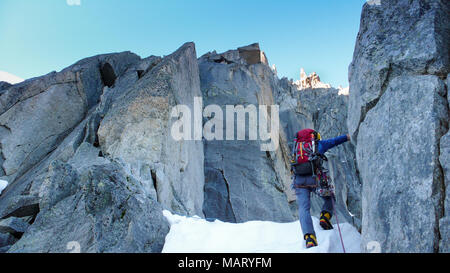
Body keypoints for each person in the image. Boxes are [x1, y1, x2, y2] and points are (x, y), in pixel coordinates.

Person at [291, 128, 350, 249]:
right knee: (330, 197)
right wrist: (347, 137)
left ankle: (309, 238)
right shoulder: (318, 145)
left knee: (303, 208)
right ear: (314, 136)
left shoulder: (296, 147)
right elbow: (334, 141)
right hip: (315, 179)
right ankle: (325, 216)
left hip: (299, 180)